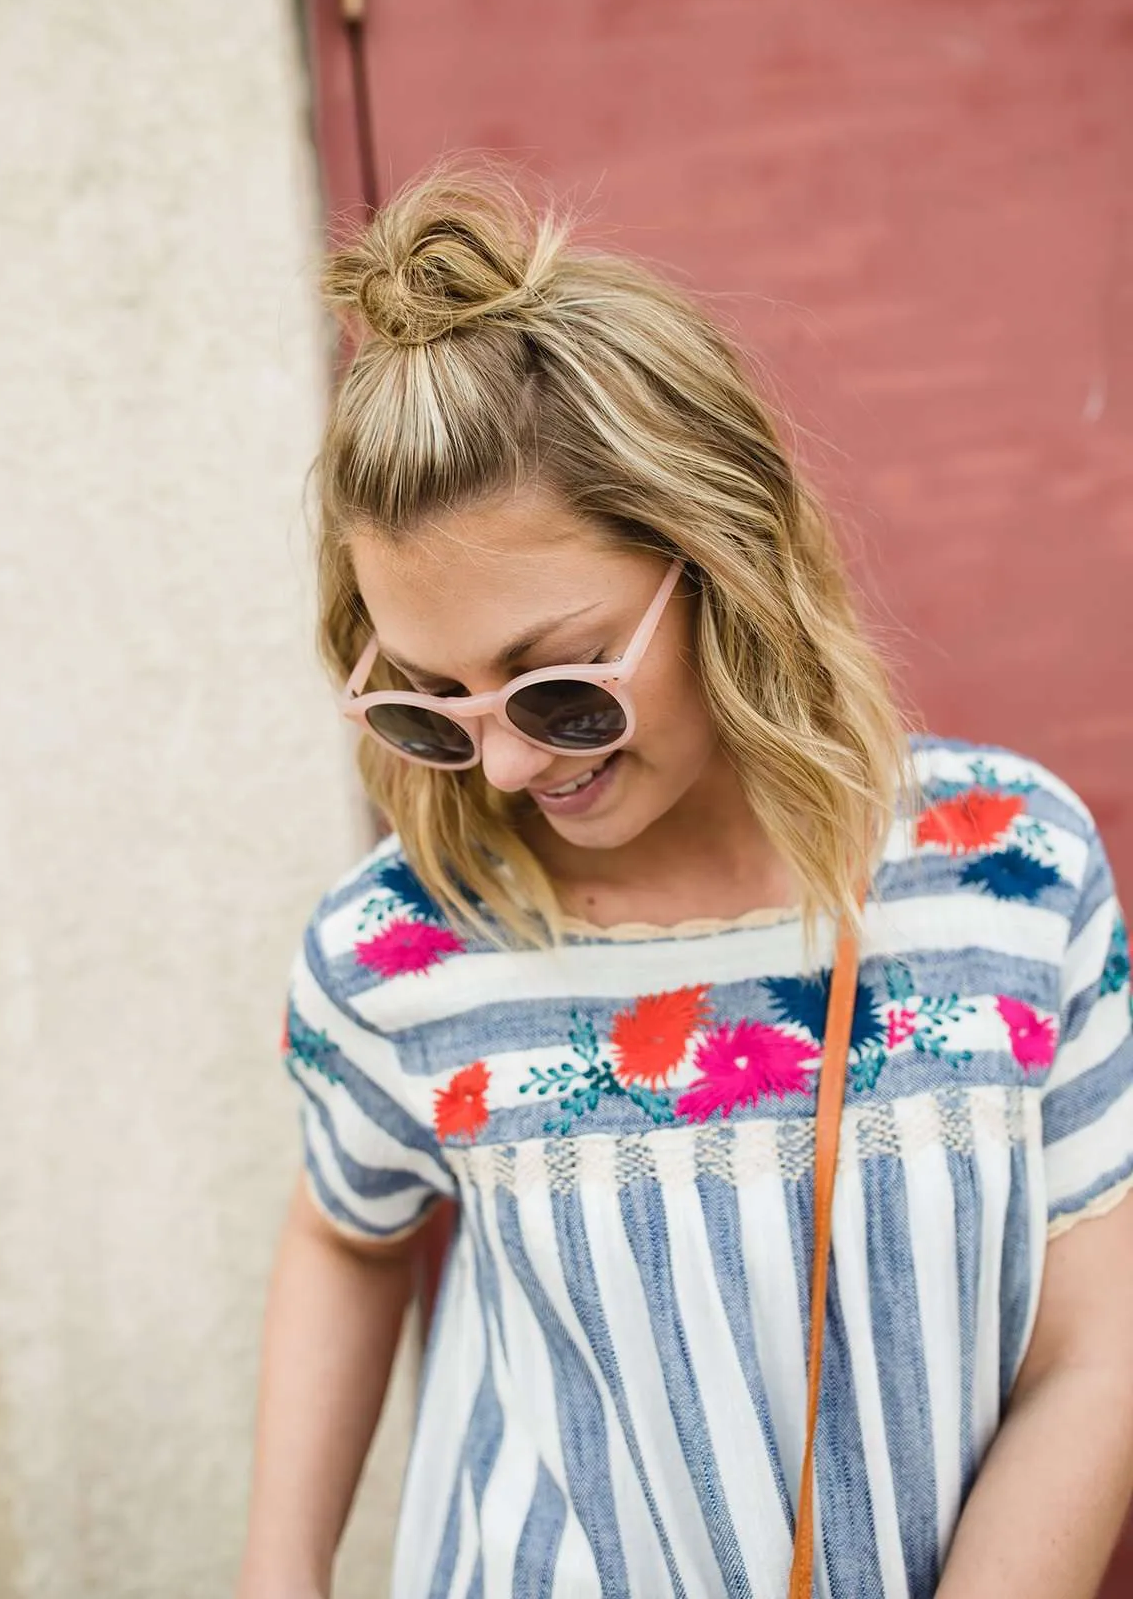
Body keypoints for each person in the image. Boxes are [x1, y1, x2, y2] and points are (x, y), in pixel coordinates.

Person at [237, 170, 1133, 1599]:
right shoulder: (400, 952)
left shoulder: (1013, 871)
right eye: (427, 706)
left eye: (560, 686)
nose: (508, 771)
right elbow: (345, 1235)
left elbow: (1099, 1349)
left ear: (724, 560)